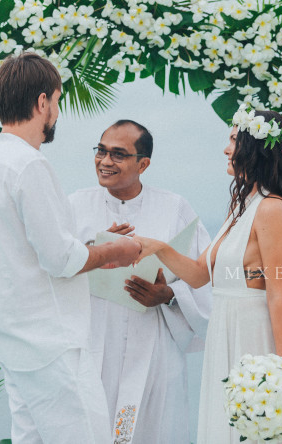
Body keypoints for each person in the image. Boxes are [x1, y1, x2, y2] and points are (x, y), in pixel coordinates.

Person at [0, 52, 142, 444]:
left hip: (12, 339)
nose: (57, 113)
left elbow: (25, 248)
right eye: (58, 102)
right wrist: (115, 251)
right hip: (50, 344)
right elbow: (60, 259)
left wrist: (94, 245)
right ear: (42, 102)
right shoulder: (28, 165)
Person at [135, 109, 282, 443]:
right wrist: (157, 247)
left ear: (254, 147)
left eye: (233, 140)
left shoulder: (272, 208)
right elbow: (199, 275)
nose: (226, 149)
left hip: (254, 336)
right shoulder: (241, 206)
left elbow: (277, 295)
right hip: (224, 331)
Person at [68, 120, 212, 443]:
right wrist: (93, 252)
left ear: (143, 164)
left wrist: (168, 294)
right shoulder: (76, 205)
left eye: (118, 154)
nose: (105, 161)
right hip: (95, 340)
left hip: (154, 347)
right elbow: (52, 268)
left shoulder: (174, 208)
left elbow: (203, 278)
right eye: (101, 151)